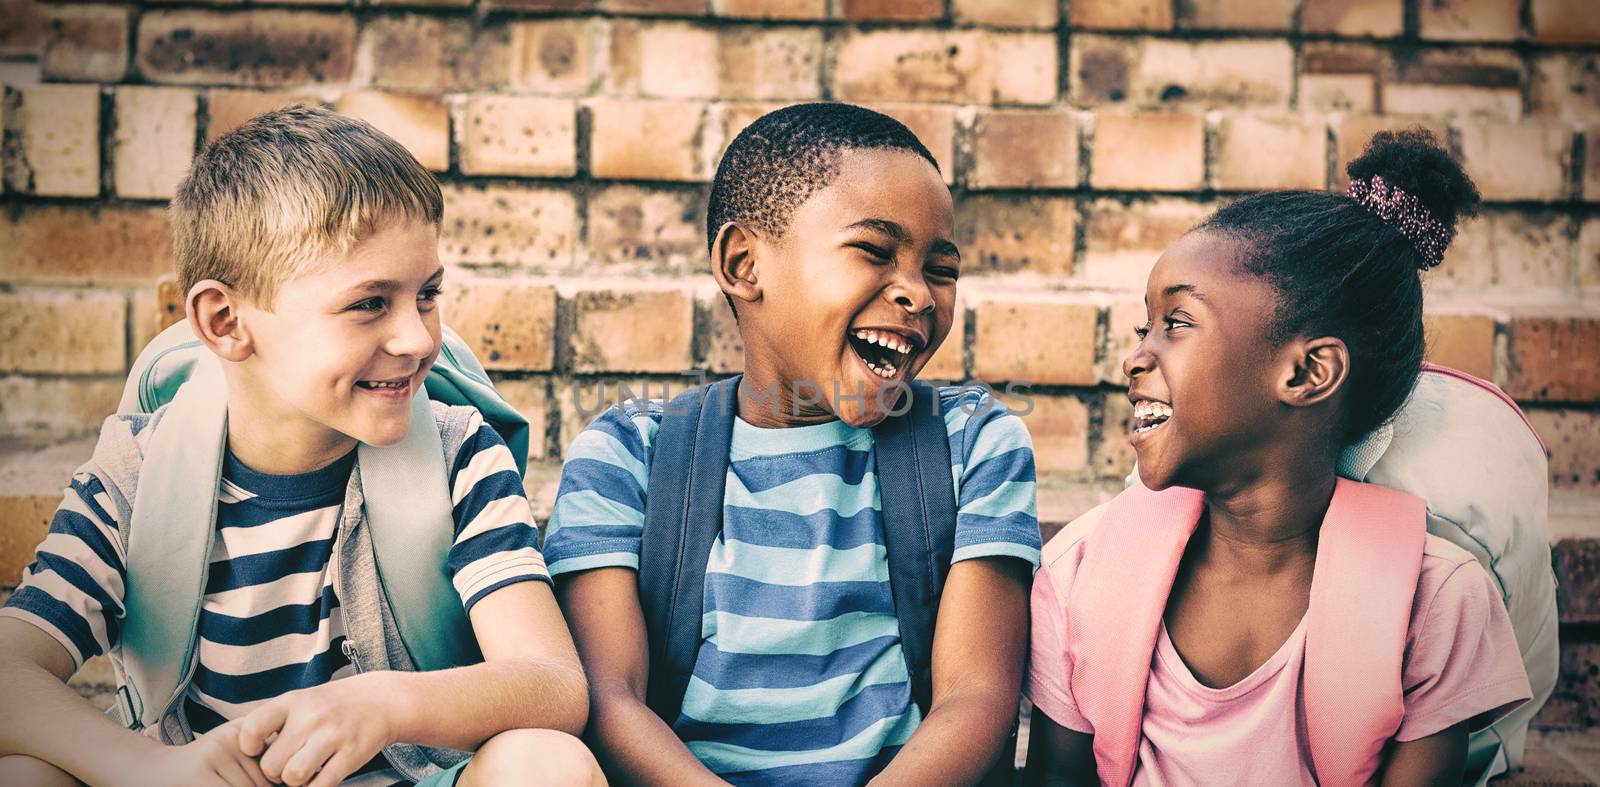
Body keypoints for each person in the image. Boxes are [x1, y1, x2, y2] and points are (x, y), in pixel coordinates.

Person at [0, 106, 601, 787]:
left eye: (428, 294)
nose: (418, 338)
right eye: (371, 302)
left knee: (549, 765)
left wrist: (384, 703)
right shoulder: (135, 475)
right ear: (226, 322)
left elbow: (554, 683)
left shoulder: (460, 454)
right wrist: (150, 766)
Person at [544, 102, 1041, 785]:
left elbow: (977, 699)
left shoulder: (974, 444)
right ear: (744, 263)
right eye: (874, 251)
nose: (918, 294)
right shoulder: (629, 455)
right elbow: (609, 698)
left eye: (941, 268)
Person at [1024, 130, 1533, 786]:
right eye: (1142, 327)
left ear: (1308, 372)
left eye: (1176, 323)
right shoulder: (1083, 568)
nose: (1135, 358)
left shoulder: (1436, 600)